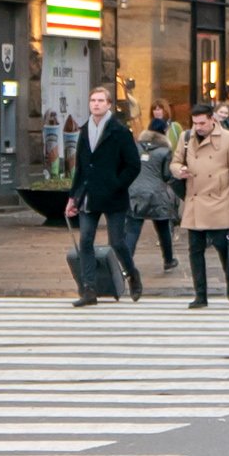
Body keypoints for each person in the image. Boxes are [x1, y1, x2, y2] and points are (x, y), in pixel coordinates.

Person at [65, 86, 143, 304]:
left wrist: (117, 184)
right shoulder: (84, 130)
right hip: (88, 194)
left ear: (109, 105)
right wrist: (73, 197)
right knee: (86, 240)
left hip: (113, 196)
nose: (96, 104)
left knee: (117, 242)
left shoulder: (119, 131)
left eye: (101, 100)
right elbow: (80, 167)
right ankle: (89, 288)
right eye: (93, 100)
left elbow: (133, 165)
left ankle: (132, 275)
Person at [172, 100, 229, 307]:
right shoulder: (186, 137)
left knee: (222, 247)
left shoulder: (228, 139)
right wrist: (178, 170)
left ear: (212, 120)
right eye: (195, 123)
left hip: (219, 200)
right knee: (194, 250)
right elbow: (175, 161)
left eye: (202, 123)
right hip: (195, 200)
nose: (198, 127)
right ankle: (200, 295)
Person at [126, 114, 180, 274]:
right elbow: (167, 175)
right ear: (164, 132)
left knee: (132, 230)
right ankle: (168, 260)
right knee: (163, 228)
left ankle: (126, 263)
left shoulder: (136, 146)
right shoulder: (165, 151)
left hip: (135, 192)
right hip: (157, 194)